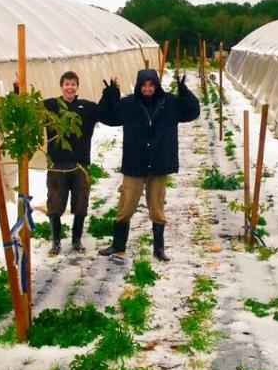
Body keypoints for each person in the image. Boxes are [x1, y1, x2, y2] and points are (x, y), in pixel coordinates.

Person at [97, 68, 200, 261]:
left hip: (159, 163)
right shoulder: (128, 104)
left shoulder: (169, 103)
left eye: (151, 84)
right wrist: (109, 96)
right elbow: (107, 117)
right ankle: (118, 245)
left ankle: (159, 249)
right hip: (134, 164)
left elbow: (193, 112)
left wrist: (185, 94)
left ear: (156, 85)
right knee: (126, 205)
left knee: (157, 207)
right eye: (144, 85)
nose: (147, 88)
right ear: (139, 86)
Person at [43, 71, 99, 255]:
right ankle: (56, 242)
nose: (70, 87)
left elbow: (106, 113)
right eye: (66, 84)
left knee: (81, 203)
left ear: (77, 87)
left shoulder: (87, 107)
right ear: (61, 86)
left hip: (79, 166)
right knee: (55, 204)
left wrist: (110, 95)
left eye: (73, 84)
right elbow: (27, 110)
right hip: (57, 165)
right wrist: (17, 88)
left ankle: (76, 239)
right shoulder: (51, 106)